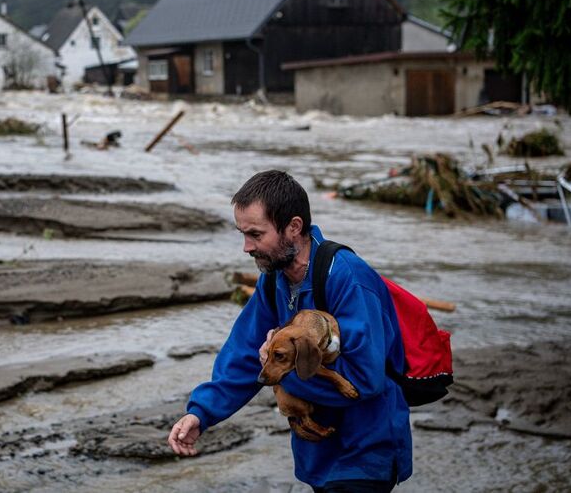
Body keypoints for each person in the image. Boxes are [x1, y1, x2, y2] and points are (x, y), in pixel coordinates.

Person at [167, 170, 412, 492]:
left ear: (294, 227)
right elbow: (244, 352)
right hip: (317, 454)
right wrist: (201, 413)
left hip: (365, 453)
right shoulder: (276, 278)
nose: (246, 246)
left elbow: (364, 380)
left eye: (256, 234)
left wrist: (282, 369)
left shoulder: (348, 278)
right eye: (242, 233)